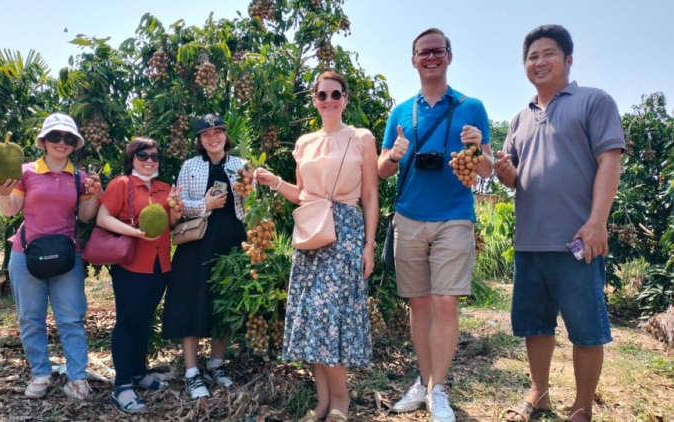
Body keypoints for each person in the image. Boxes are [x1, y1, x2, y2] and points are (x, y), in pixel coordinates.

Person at [494, 25, 624, 422]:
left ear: (568, 60)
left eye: (548, 53)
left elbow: (610, 160)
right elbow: (514, 176)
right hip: (530, 241)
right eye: (532, 57)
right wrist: (501, 171)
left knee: (586, 329)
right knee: (535, 324)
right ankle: (540, 394)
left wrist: (596, 221)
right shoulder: (519, 118)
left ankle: (582, 407)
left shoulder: (593, 102)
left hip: (578, 239)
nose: (539, 62)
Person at [378, 28, 493, 421]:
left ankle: (437, 389)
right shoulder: (400, 111)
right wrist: (393, 155)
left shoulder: (471, 106)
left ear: (449, 55)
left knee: (446, 302)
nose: (431, 57)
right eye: (423, 52)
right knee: (420, 304)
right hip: (409, 217)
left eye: (438, 51)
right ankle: (424, 381)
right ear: (413, 60)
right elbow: (381, 171)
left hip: (454, 218)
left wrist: (477, 147)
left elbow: (486, 170)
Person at [255, 71, 379, 422]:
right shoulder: (304, 142)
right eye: (322, 95)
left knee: (331, 317)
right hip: (311, 233)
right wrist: (274, 181)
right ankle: (323, 402)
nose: (329, 100)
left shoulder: (361, 138)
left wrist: (369, 244)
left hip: (346, 231)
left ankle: (341, 401)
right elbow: (303, 195)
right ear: (314, 99)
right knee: (312, 317)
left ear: (346, 98)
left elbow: (370, 194)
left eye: (335, 94)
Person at [0, 112, 102, 400]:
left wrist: (92, 196)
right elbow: (10, 209)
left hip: (67, 255)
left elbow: (84, 216)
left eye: (68, 137)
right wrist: (2, 193)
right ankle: (40, 372)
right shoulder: (25, 172)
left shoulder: (79, 178)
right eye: (55, 136)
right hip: (27, 253)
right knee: (30, 317)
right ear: (43, 141)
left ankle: (76, 377)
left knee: (72, 318)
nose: (61, 142)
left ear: (74, 143)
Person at [161, 113, 250, 399]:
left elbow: (250, 206)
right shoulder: (190, 166)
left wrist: (249, 190)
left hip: (232, 243)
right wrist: (205, 204)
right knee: (192, 300)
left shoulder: (240, 165)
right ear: (199, 140)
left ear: (225, 135)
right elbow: (177, 205)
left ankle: (216, 364)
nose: (213, 138)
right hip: (196, 244)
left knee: (223, 304)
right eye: (206, 134)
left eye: (218, 132)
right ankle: (191, 371)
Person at [94, 137, 182, 413]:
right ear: (132, 158)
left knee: (144, 321)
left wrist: (176, 210)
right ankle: (122, 386)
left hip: (160, 265)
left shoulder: (165, 188)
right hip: (131, 264)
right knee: (127, 323)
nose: (149, 161)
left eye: (154, 156)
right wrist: (133, 232)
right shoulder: (122, 184)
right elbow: (102, 217)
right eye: (143, 155)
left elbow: (168, 224)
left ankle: (139, 373)